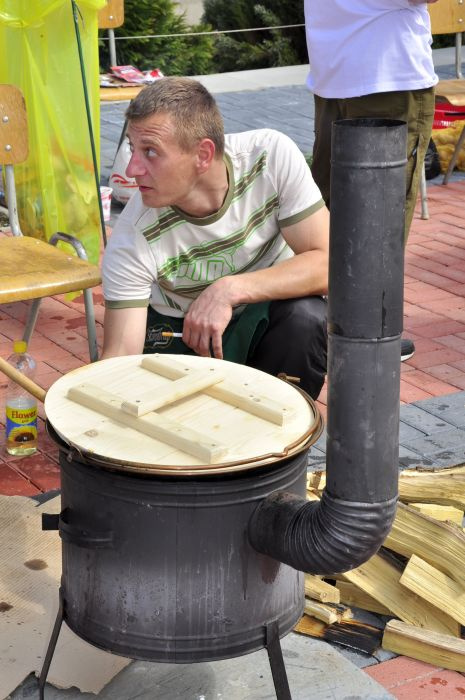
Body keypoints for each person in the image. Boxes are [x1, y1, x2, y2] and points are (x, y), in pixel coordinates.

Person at [101, 77, 329, 399]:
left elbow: (329, 265)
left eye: (150, 152)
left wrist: (229, 290)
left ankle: (283, 425)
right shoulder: (132, 237)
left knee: (306, 318)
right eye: (132, 148)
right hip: (180, 334)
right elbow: (120, 360)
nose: (133, 169)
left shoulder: (269, 158)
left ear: (203, 154)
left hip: (263, 316)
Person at [304, 0, 439, 361]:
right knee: (380, 220)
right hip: (388, 76)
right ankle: (366, 337)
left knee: (326, 212)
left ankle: (318, 326)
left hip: (335, 70)